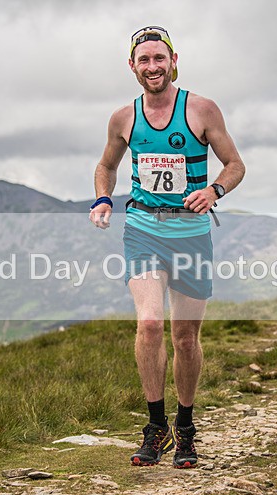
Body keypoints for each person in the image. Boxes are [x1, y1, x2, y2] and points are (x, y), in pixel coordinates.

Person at [89, 26, 245, 468]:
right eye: (144, 60)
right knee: (151, 324)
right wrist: (103, 197)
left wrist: (214, 191)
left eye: (160, 58)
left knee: (185, 337)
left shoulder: (201, 109)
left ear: (174, 61)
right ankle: (155, 427)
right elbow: (106, 165)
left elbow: (235, 165)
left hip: (191, 234)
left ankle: (187, 427)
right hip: (142, 229)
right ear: (133, 66)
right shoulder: (124, 118)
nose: (152, 67)